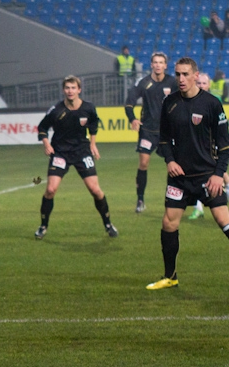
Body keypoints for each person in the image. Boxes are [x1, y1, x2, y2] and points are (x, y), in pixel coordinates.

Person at [146, 57, 229, 290]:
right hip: (179, 178)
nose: (181, 79)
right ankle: (170, 277)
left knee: (224, 222)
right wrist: (169, 161)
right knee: (168, 224)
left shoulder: (212, 104)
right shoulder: (169, 103)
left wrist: (218, 174)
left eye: (185, 74)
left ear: (195, 75)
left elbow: (225, 146)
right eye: (178, 74)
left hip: (206, 176)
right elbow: (163, 139)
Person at [34, 75, 118, 240]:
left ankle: (108, 224)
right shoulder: (56, 110)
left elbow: (93, 125)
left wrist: (93, 144)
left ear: (79, 90)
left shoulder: (88, 108)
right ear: (63, 90)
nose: (70, 91)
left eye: (73, 88)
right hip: (60, 152)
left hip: (82, 152)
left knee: (95, 190)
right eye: (67, 88)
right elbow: (42, 127)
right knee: (50, 190)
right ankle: (43, 226)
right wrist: (46, 144)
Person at [125, 52, 178, 213]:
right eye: (155, 62)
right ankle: (140, 200)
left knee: (174, 165)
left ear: (165, 65)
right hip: (147, 131)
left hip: (168, 131)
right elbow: (129, 103)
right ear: (151, 65)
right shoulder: (143, 83)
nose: (158, 65)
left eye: (161, 62)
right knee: (143, 163)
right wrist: (133, 119)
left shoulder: (173, 82)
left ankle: (175, 198)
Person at [190, 72, 229, 219]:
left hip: (213, 144)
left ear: (209, 85)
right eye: (198, 83)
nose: (201, 86)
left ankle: (202, 207)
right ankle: (198, 208)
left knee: (219, 173)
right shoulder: (190, 101)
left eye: (204, 83)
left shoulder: (215, 101)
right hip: (198, 145)